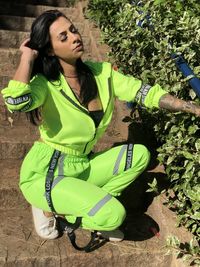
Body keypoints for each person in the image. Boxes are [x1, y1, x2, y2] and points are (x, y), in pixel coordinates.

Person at [2, 10, 200, 244]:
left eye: (73, 30)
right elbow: (16, 101)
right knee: (115, 215)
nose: (75, 37)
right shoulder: (45, 84)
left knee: (139, 155)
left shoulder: (101, 73)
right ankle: (47, 207)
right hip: (45, 172)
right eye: (63, 37)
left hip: (82, 163)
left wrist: (191, 107)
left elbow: (142, 92)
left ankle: (84, 204)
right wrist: (27, 57)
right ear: (50, 50)